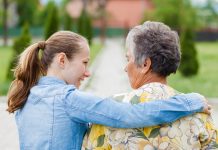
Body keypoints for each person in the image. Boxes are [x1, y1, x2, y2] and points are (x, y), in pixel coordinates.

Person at [7, 31, 210, 150]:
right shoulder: (68, 99)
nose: (87, 73)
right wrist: (190, 101)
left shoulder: (25, 96)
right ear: (62, 60)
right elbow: (131, 115)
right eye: (85, 63)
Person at [84, 21, 218, 149]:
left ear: (145, 64)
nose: (125, 68)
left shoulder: (110, 111)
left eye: (128, 58)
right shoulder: (200, 112)